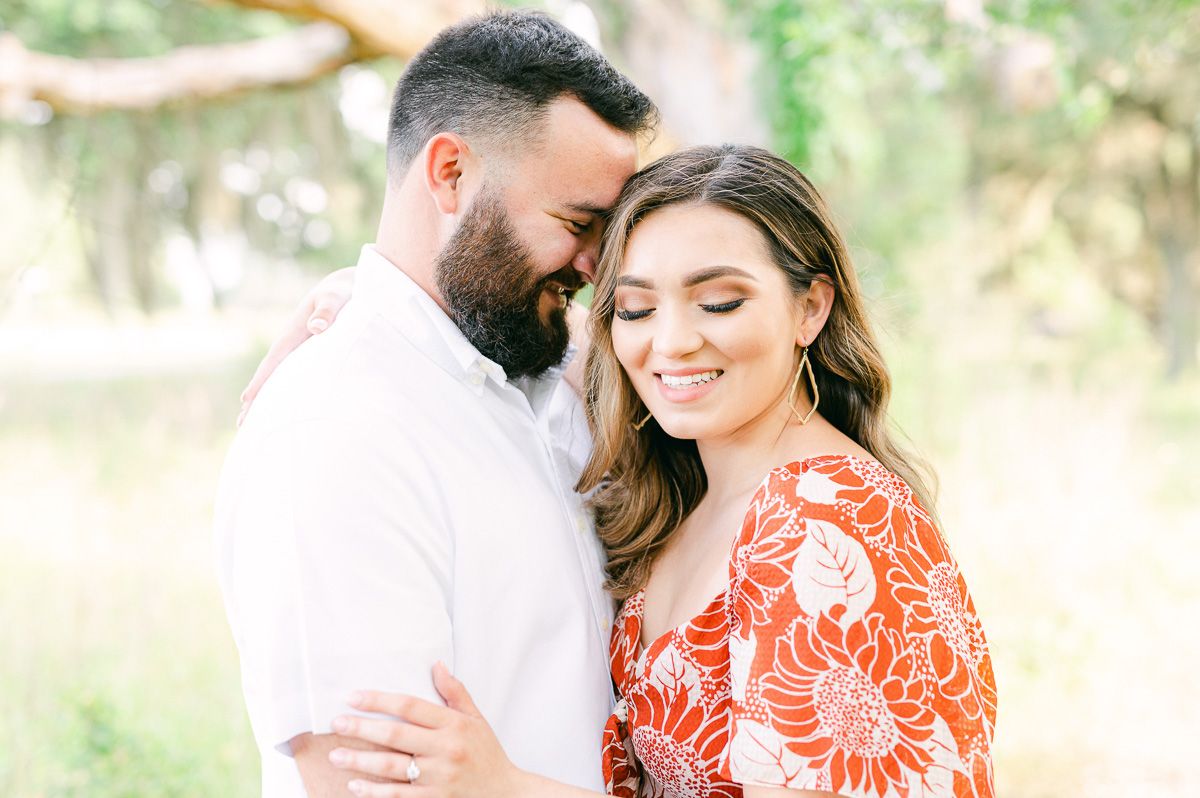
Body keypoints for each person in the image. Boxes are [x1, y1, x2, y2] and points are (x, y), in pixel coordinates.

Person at [257, 146, 998, 798]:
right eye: (636, 308)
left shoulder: (825, 522)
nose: (672, 343)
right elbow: (564, 332)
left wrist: (508, 791)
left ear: (811, 308)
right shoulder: (698, 489)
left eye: (720, 301)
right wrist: (374, 300)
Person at [213, 10, 657, 796]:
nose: (596, 266)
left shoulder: (547, 366)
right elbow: (369, 787)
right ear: (450, 173)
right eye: (576, 224)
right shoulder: (335, 434)